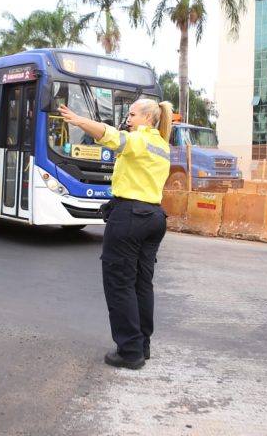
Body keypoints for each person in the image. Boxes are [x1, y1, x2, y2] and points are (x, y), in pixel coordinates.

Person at [59, 98, 173, 370]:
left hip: (131, 217)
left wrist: (80, 121)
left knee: (120, 282)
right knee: (141, 284)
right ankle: (142, 345)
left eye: (132, 114)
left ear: (147, 118)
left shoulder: (140, 140)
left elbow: (111, 137)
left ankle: (130, 351)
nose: (128, 119)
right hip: (154, 217)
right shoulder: (162, 145)